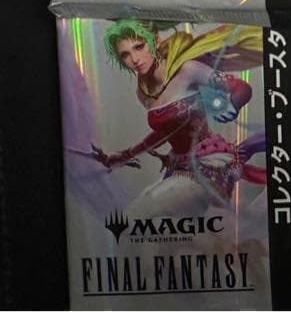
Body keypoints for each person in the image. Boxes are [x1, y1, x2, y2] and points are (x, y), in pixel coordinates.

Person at [92, 20, 266, 218]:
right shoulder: (144, 93)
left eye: (139, 47)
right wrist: (124, 155)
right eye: (125, 54)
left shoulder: (188, 70)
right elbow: (164, 132)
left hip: (209, 166)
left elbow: (240, 87)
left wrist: (232, 105)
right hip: (178, 168)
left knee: (136, 214)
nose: (135, 59)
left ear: (154, 41)